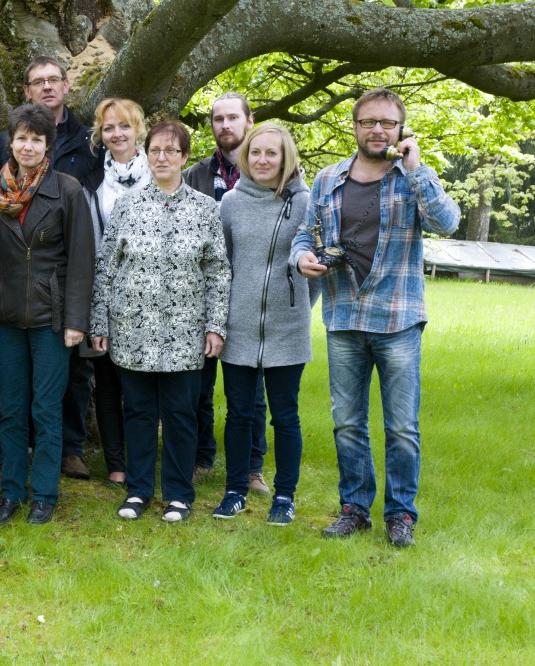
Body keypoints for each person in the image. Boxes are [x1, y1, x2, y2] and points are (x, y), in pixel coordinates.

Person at [290, 88, 460, 547]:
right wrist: (301, 257)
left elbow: (447, 223)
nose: (378, 130)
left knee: (401, 427)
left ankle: (400, 515)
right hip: (344, 316)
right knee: (347, 423)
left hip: (397, 319)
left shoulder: (413, 176)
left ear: (401, 128)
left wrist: (417, 168)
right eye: (369, 122)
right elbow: (306, 233)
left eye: (388, 122)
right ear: (355, 126)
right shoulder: (328, 178)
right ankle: (354, 509)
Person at [90, 121, 230, 523]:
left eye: (171, 150)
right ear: (146, 154)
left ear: (185, 157)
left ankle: (179, 494)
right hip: (133, 328)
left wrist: (215, 325)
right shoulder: (127, 205)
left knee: (181, 414)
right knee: (137, 411)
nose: (163, 157)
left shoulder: (205, 209)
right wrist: (99, 322)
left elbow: (218, 271)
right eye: (155, 150)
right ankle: (138, 490)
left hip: (185, 332)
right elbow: (106, 267)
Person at [0, 57, 103, 487]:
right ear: (11, 144)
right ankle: (11, 490)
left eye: (36, 140)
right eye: (22, 139)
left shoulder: (67, 191)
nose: (28, 147)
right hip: (7, 315)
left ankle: (44, 494)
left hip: (52, 318)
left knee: (46, 409)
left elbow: (82, 261)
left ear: (47, 146)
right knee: (12, 408)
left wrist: (76, 321)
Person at [211, 123, 315, 526]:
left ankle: (284, 497)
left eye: (272, 153)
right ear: (246, 156)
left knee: (285, 415)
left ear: (286, 157)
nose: (263, 159)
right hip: (238, 325)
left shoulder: (306, 202)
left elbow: (313, 266)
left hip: (288, 327)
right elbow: (221, 265)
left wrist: (296, 304)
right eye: (255, 152)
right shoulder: (231, 203)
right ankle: (235, 491)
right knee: (238, 413)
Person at [183, 91, 270, 494]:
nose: (225, 125)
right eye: (218, 119)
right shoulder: (195, 176)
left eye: (233, 117)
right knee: (198, 385)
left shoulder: (269, 172)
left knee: (250, 391)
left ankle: (252, 467)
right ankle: (201, 457)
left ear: (250, 121)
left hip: (250, 296)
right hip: (200, 297)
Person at [79, 97, 151, 488]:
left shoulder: (158, 174)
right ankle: (116, 464)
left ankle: (142, 461)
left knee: (142, 385)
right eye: (109, 128)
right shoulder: (93, 183)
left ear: (138, 130)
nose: (117, 134)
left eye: (124, 126)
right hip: (106, 294)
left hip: (152, 298)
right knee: (106, 383)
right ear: (100, 135)